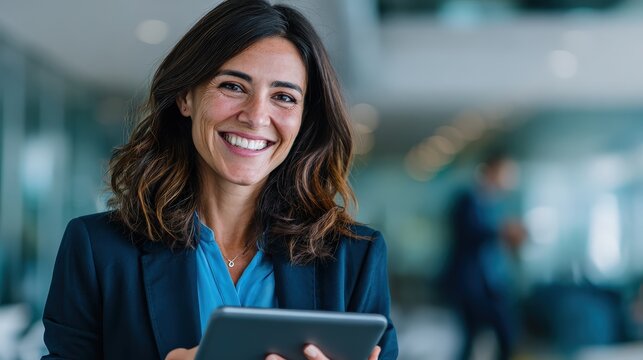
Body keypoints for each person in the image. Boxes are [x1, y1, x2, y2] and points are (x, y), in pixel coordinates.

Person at [41, 1, 398, 359]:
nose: (257, 116)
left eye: (284, 97)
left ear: (304, 119)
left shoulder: (355, 258)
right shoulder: (98, 249)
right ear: (185, 97)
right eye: (233, 86)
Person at [441, 152, 525, 360]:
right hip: (470, 285)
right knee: (484, 334)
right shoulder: (467, 201)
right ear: (492, 171)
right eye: (505, 173)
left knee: (490, 336)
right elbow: (469, 232)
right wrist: (502, 232)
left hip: (490, 283)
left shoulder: (496, 205)